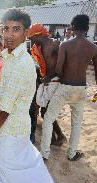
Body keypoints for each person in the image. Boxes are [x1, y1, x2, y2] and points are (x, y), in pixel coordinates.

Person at [0, 9, 56, 183]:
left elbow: (4, 111)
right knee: (13, 175)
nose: (9, 35)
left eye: (16, 29)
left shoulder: (21, 63)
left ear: (26, 33)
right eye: (6, 29)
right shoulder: (7, 56)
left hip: (11, 132)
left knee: (13, 178)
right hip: (15, 130)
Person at [41, 14, 97, 161]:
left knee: (48, 119)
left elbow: (58, 70)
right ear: (86, 28)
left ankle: (44, 154)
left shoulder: (65, 45)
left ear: (72, 27)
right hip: (81, 89)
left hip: (65, 87)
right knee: (77, 123)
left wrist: (49, 76)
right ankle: (72, 154)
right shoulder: (93, 48)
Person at [27, 23, 67, 146]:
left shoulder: (55, 44)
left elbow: (63, 65)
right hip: (47, 81)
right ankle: (57, 137)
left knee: (45, 112)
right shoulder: (38, 47)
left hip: (55, 81)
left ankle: (58, 136)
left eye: (32, 38)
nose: (32, 41)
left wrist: (50, 77)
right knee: (45, 111)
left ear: (38, 35)